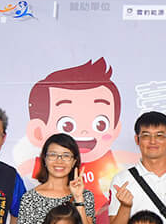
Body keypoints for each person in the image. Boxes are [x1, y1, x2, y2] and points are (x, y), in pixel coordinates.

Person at [19, 58, 134, 210]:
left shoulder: (106, 163)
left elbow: (133, 159)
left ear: (115, 129)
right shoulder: (34, 190)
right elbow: (19, 172)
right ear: (38, 132)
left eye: (100, 124)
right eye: (67, 125)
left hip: (98, 218)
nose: (84, 132)